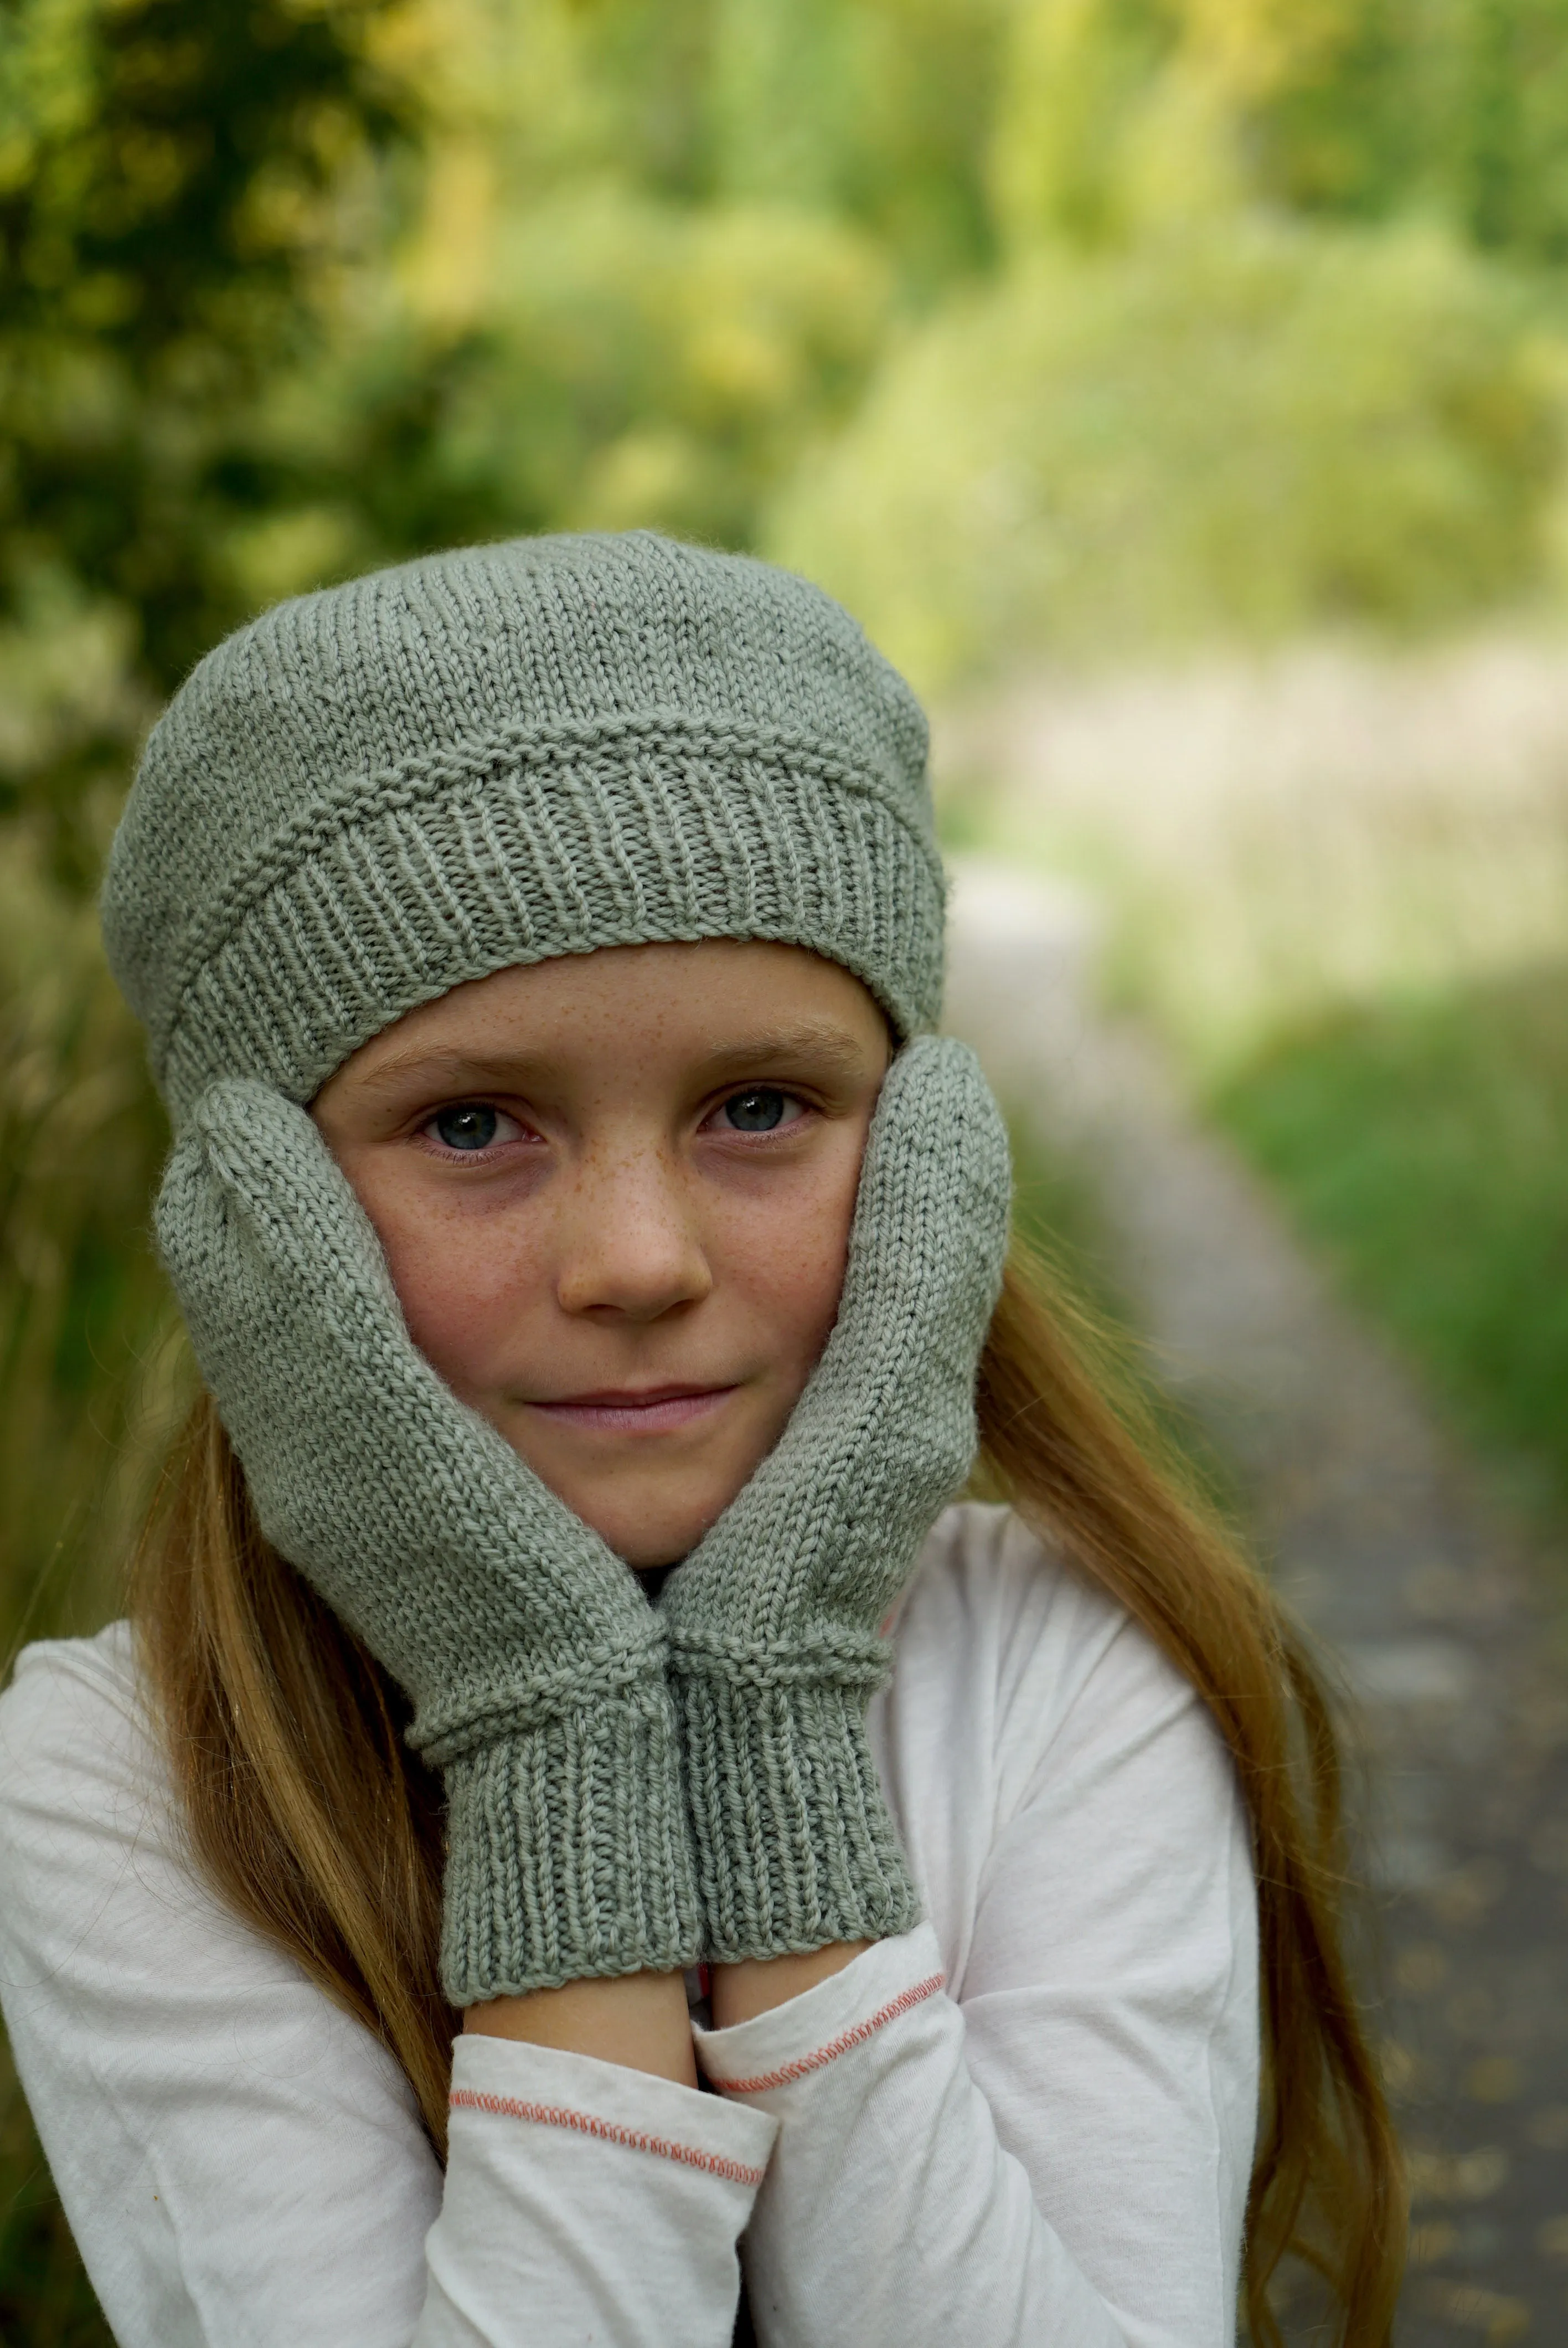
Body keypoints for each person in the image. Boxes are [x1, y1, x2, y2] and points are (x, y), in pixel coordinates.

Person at [0, 533, 1401, 2347]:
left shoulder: (1068, 1657)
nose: (641, 1263)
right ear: (257, 1223)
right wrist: (545, 1724)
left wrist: (772, 1706)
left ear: (919, 1165)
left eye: (761, 1107)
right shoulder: (129, 1779)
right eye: (475, 1127)